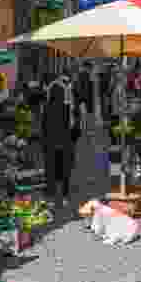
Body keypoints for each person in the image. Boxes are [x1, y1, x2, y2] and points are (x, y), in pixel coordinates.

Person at [42, 73, 79, 207]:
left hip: (51, 144)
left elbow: (44, 128)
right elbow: (74, 128)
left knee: (51, 170)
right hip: (65, 143)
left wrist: (44, 143)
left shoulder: (46, 108)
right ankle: (65, 197)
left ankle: (51, 197)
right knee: (65, 171)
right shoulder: (67, 108)